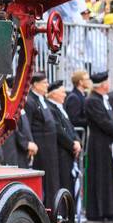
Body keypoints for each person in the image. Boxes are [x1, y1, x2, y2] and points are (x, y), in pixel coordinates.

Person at [82, 70, 113, 222]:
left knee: (110, 177)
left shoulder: (105, 100)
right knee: (100, 177)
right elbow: (104, 122)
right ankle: (98, 211)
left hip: (110, 143)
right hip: (99, 144)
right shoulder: (92, 101)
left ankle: (110, 209)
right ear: (103, 85)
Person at [24, 73, 62, 205]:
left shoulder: (42, 100)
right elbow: (27, 124)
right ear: (35, 84)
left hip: (50, 146)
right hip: (40, 145)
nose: (47, 85)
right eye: (44, 82)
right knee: (45, 179)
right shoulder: (30, 101)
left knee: (52, 180)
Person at [47, 80, 81, 213]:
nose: (65, 95)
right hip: (61, 151)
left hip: (69, 152)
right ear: (54, 94)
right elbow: (59, 131)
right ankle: (64, 212)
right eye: (62, 92)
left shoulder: (60, 108)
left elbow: (70, 128)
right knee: (63, 183)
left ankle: (69, 212)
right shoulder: (52, 108)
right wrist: (71, 144)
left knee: (69, 182)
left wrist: (77, 141)